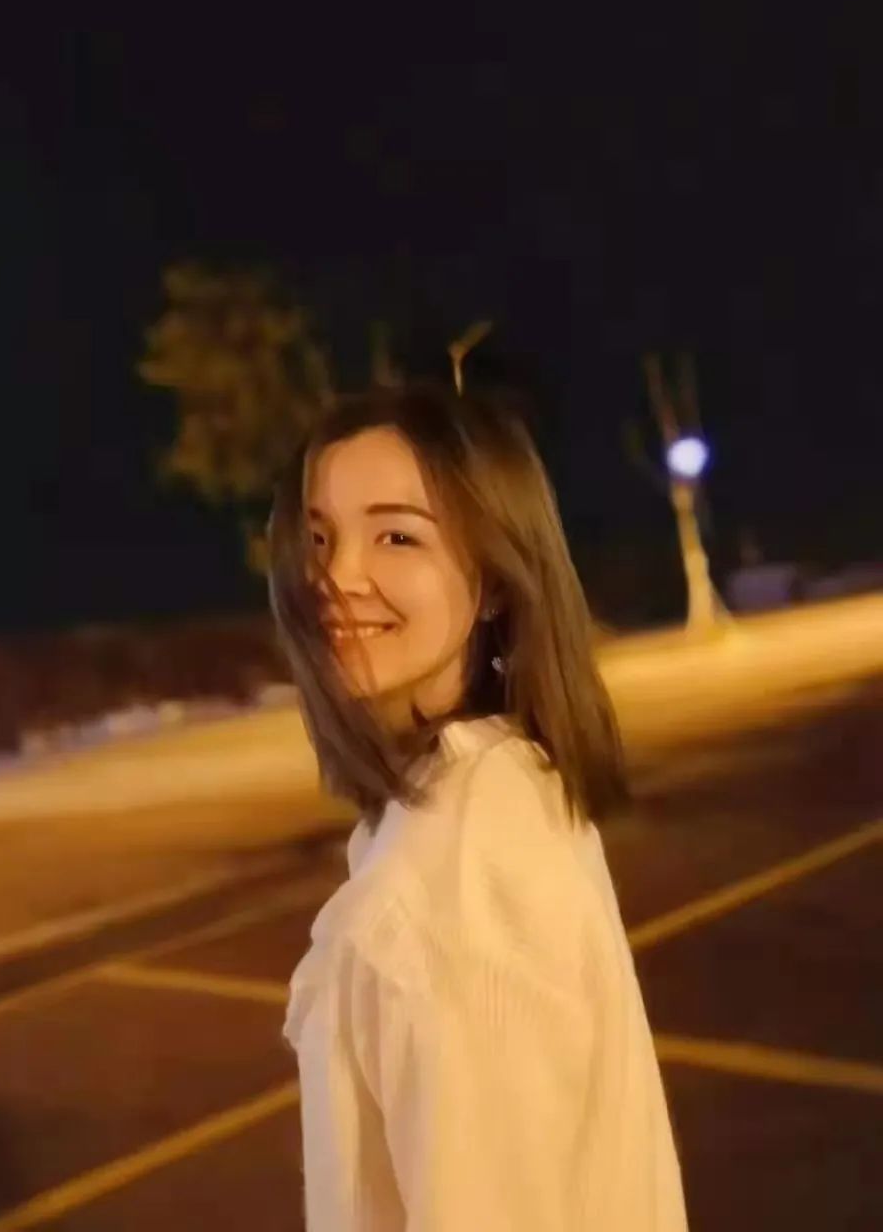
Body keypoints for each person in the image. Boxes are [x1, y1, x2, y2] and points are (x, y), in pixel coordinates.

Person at [267, 380, 689, 1231]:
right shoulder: (511, 778)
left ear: (495, 578)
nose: (337, 576)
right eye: (318, 538)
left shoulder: (439, 896)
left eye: (396, 535)